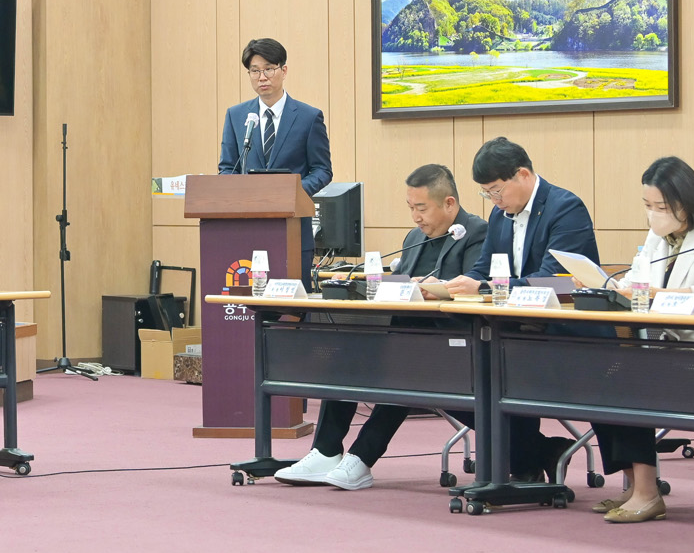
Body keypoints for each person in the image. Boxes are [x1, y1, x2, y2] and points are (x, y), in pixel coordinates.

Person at [275, 164, 488, 488]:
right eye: (410, 208)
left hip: (452, 345)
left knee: (405, 371)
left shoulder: (476, 233)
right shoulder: (414, 237)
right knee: (347, 356)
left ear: (449, 203)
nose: (415, 217)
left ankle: (361, 458)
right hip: (405, 337)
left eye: (422, 208)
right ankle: (326, 450)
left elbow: (474, 292)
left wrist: (436, 288)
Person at [592, 157, 694, 523]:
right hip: (666, 355)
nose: (653, 215)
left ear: (686, 202)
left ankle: (649, 494)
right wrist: (611, 286)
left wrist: (659, 294)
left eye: (661, 207)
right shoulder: (656, 239)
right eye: (647, 206)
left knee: (630, 376)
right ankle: (634, 485)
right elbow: (635, 281)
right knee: (602, 378)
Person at [441, 137, 599, 479]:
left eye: (496, 191)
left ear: (523, 174)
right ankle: (532, 457)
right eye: (486, 194)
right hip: (513, 331)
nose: (494, 201)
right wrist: (449, 286)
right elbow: (483, 268)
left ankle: (525, 463)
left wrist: (484, 288)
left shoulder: (565, 208)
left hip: (563, 335)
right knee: (447, 377)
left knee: (493, 373)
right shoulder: (501, 216)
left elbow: (554, 281)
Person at [217, 37, 332, 281]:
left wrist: (292, 193)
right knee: (248, 297)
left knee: (292, 299)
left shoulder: (309, 117)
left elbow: (322, 170)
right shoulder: (236, 116)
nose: (262, 77)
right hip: (247, 227)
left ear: (284, 70)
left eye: (269, 69)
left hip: (293, 228)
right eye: (255, 71)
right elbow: (227, 168)